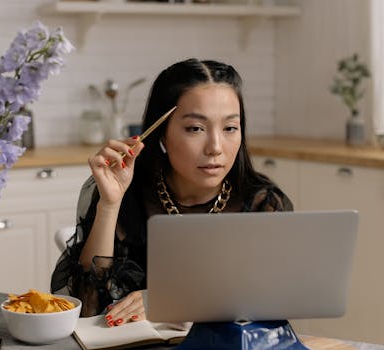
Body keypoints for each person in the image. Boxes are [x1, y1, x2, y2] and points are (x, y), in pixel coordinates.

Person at [51, 58, 293, 327]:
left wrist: (170, 302)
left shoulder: (264, 203)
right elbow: (87, 310)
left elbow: (270, 306)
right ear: (162, 133)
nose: (215, 147)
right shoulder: (126, 192)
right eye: (195, 128)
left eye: (229, 128)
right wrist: (109, 205)